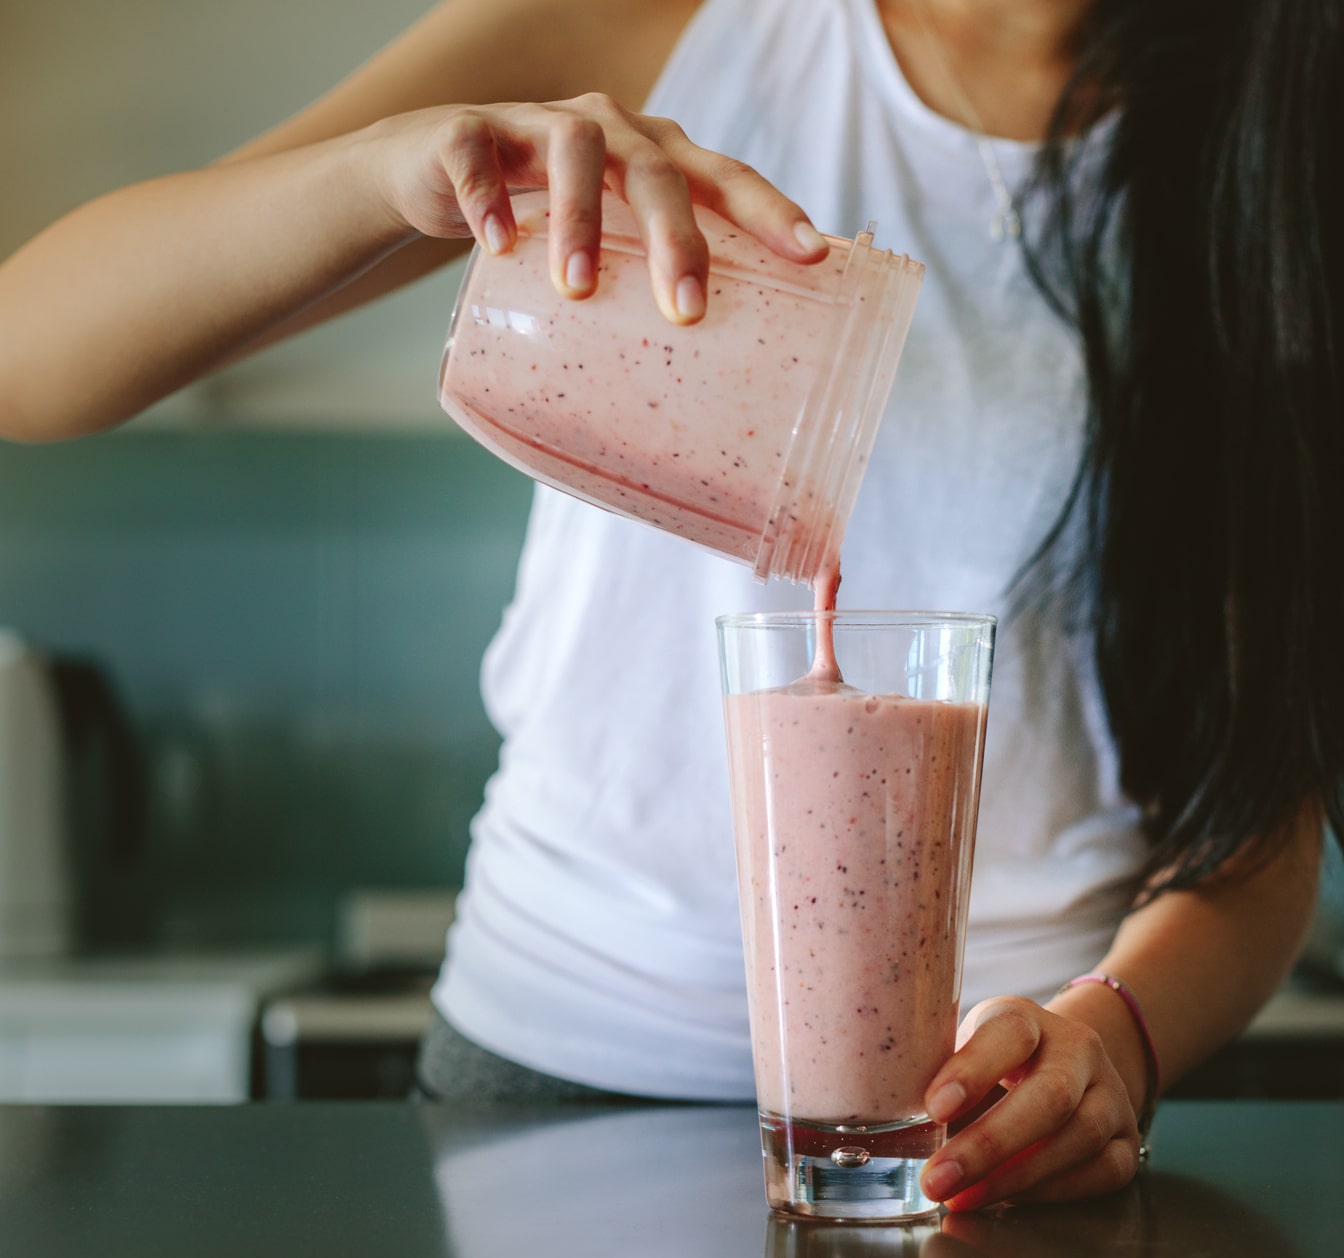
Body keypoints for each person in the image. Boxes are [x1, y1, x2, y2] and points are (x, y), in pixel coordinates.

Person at [0, 0, 1338, 1213]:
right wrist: (395, 171)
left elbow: (1261, 818)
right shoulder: (674, 29)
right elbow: (32, 356)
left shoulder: (1276, 148)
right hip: (554, 1089)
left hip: (986, 1135)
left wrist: (1114, 1032)